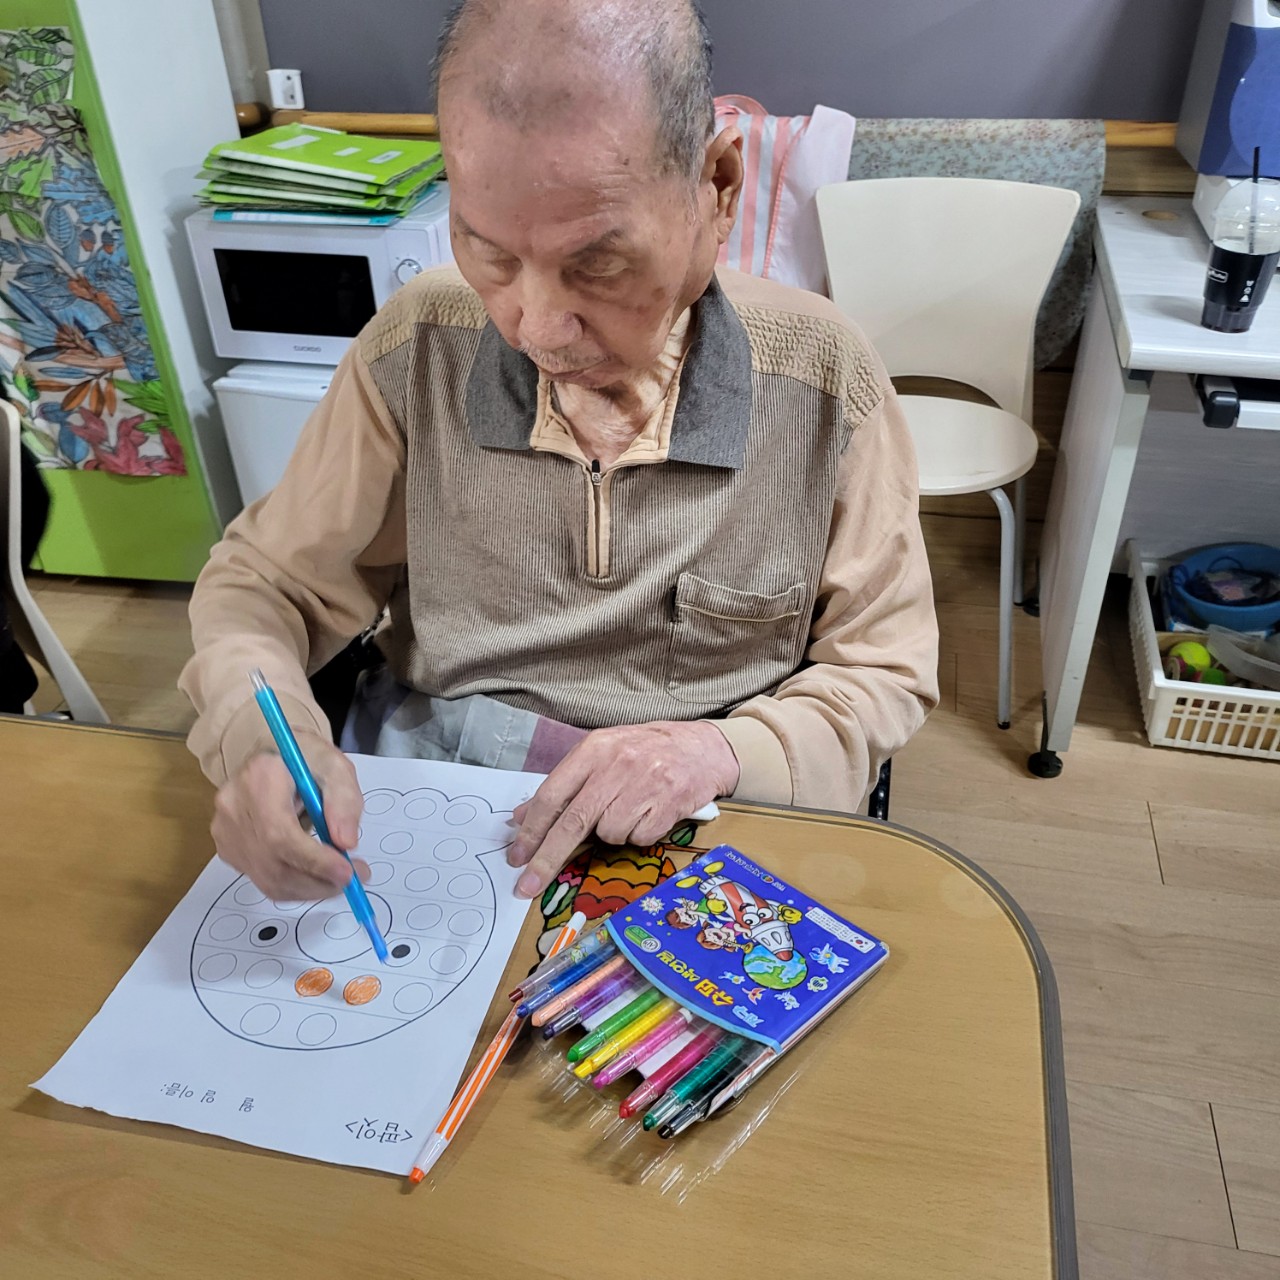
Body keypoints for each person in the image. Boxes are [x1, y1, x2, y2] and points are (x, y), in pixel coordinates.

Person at [179, 0, 938, 907]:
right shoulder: (418, 347)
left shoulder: (822, 377)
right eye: (487, 250)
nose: (534, 327)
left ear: (717, 187)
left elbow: (882, 670)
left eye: (598, 264)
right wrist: (262, 740)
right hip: (439, 784)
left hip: (701, 806)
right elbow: (265, 588)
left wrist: (717, 748)